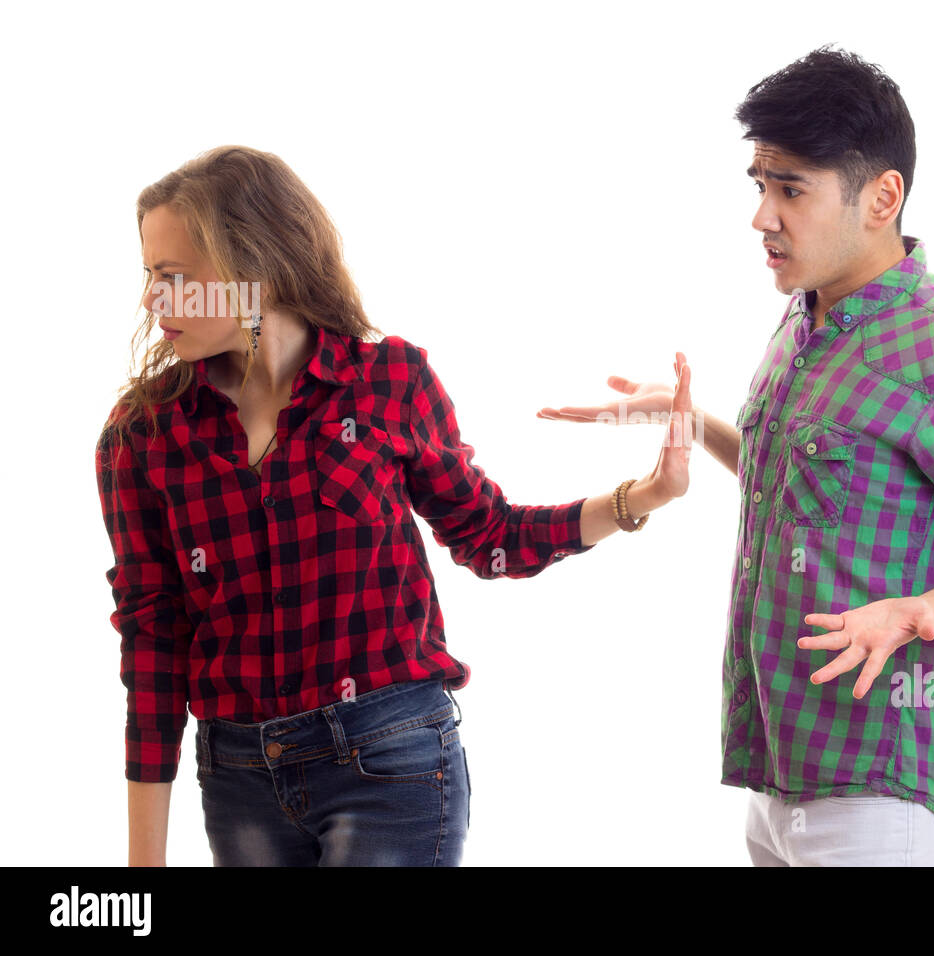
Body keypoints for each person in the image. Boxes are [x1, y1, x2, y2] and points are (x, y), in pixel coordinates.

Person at [538, 46, 934, 866]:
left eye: (792, 189)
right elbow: (800, 478)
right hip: (778, 774)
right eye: (760, 186)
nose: (763, 216)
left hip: (879, 793)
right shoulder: (806, 317)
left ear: (881, 197)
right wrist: (689, 422)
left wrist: (919, 610)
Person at [95, 145, 693, 867]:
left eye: (173, 277)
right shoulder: (142, 434)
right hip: (238, 779)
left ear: (255, 262)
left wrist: (642, 496)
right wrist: (140, 864)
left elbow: (489, 536)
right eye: (149, 278)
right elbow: (155, 644)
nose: (155, 302)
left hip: (389, 759)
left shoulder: (388, 381)